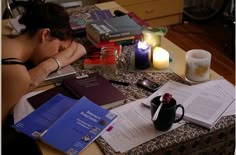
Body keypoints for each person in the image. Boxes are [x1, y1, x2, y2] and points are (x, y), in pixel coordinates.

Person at [2, 0, 86, 124]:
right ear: (45, 34)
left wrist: (46, 66)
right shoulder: (16, 74)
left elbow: (78, 48)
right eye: (59, 49)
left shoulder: (4, 38)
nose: (58, 55)